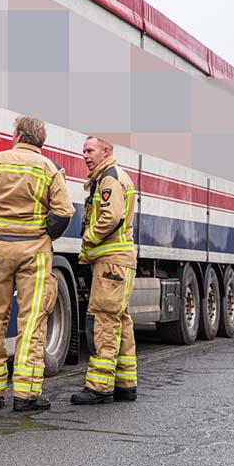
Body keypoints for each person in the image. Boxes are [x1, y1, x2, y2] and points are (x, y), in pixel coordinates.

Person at [0, 115, 73, 412]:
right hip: (34, 253)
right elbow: (63, 213)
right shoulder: (50, 169)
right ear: (40, 141)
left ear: (20, 136)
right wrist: (43, 233)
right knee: (32, 321)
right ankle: (26, 395)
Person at [70, 136, 139, 405]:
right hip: (118, 262)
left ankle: (99, 387)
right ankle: (125, 384)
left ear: (106, 150)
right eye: (83, 151)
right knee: (120, 321)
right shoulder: (112, 176)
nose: (85, 155)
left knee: (103, 321)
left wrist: (88, 238)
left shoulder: (109, 178)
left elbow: (111, 216)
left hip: (111, 262)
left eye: (90, 150)